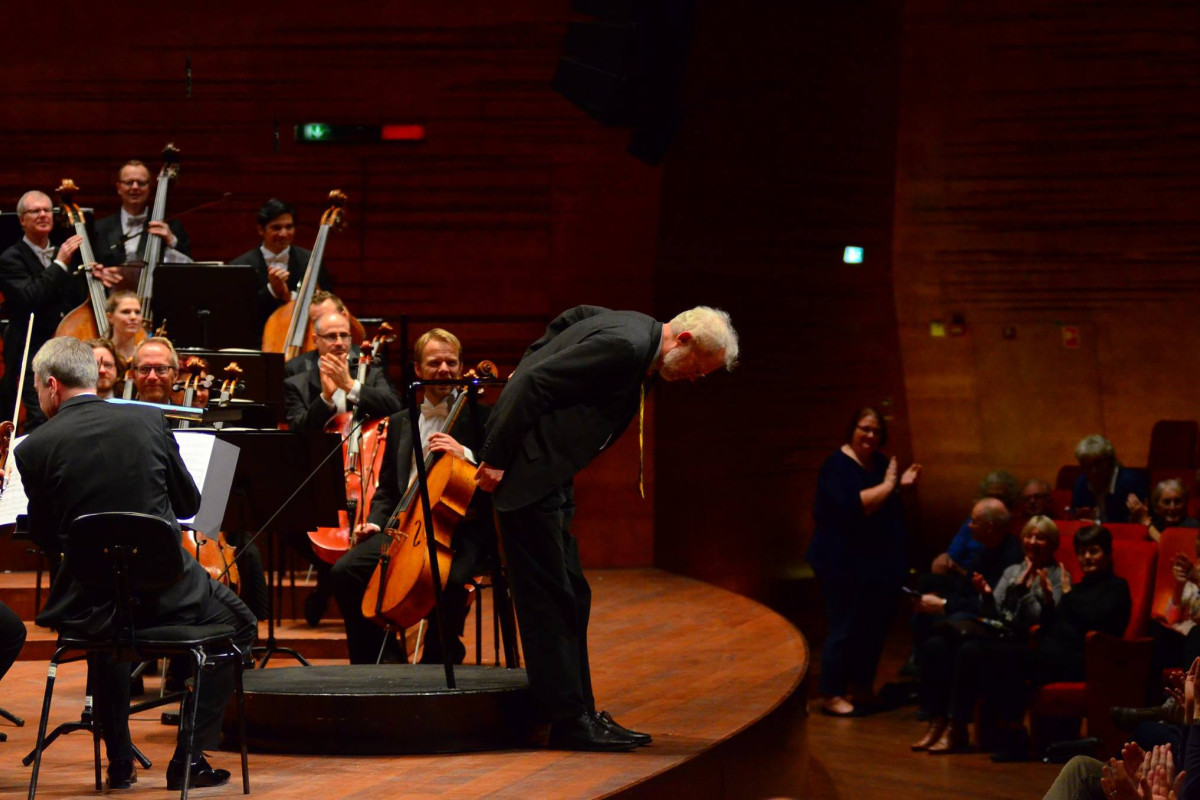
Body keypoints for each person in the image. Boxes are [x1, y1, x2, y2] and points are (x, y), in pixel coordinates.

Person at [474, 304, 738, 751]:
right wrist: (496, 456)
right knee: (550, 602)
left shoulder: (637, 332)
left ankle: (577, 710)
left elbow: (569, 318)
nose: (696, 379)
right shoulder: (626, 345)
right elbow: (533, 382)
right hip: (528, 478)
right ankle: (567, 720)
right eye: (699, 368)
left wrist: (535, 353)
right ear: (685, 341)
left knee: (573, 595)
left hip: (551, 477)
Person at [16, 336, 255, 790]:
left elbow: (47, 536)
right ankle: (189, 756)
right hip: (171, 594)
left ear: (51, 385)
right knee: (241, 623)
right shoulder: (149, 421)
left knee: (109, 639)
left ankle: (119, 764)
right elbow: (188, 503)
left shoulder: (33, 447)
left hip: (90, 603)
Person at [330, 328, 491, 664]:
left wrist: (465, 454)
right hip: (407, 528)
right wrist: (375, 524)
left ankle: (440, 656)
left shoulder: (481, 418)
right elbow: (388, 489)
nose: (444, 369)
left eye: (451, 362)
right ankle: (380, 662)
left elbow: (499, 473)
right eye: (435, 363)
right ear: (418, 370)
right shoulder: (402, 422)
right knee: (345, 571)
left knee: (449, 578)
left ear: (462, 367)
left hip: (459, 530)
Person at [913, 515, 1066, 755]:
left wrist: (1026, 590)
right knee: (936, 645)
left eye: (1041, 538)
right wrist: (985, 594)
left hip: (1024, 643)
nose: (1033, 542)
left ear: (1052, 544)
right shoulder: (1012, 570)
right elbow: (993, 612)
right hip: (996, 633)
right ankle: (937, 721)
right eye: (1029, 536)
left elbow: (1039, 619)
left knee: (969, 651)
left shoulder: (1057, 575)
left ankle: (957, 726)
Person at [807, 407, 920, 718]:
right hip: (839, 561)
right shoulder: (837, 466)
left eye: (876, 432)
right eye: (865, 429)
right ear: (852, 430)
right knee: (845, 625)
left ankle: (861, 687)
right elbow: (853, 508)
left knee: (872, 628)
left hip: (873, 563)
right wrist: (889, 487)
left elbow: (891, 511)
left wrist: (901, 489)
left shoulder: (882, 464)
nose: (870, 436)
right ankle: (831, 693)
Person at [988, 524, 1132, 760]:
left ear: (1107, 554)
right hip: (1056, 652)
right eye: (1082, 552)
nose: (1086, 557)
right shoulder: (1077, 588)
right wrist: (1047, 603)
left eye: (1093, 551)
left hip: (1088, 660)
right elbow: (1055, 625)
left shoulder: (1116, 588)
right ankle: (1014, 731)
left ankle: (1015, 736)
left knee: (1015, 661)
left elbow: (1097, 624)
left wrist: (1066, 595)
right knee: (1001, 655)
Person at [0, 191, 120, 430]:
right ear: (22, 219)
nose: (44, 214)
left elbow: (72, 299)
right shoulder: (9, 258)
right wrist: (59, 264)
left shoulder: (66, 255)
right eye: (36, 211)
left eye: (47, 210)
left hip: (63, 348)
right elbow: (28, 297)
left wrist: (90, 277)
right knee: (39, 416)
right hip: (29, 351)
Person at [282, 310, 401, 430]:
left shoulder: (371, 372)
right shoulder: (295, 384)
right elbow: (297, 432)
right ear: (315, 340)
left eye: (344, 336)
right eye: (331, 336)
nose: (339, 343)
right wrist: (325, 398)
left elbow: (394, 407)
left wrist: (350, 385)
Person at [229, 198, 329, 327]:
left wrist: (290, 296)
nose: (283, 234)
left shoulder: (311, 260)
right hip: (256, 341)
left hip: (303, 340)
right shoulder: (240, 266)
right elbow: (238, 313)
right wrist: (272, 290)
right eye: (276, 228)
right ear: (261, 230)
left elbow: (327, 304)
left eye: (289, 227)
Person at [93, 160, 190, 267]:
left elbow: (189, 268)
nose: (135, 187)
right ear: (119, 188)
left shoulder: (172, 226)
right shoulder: (99, 229)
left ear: (149, 188)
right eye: (129, 182)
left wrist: (172, 242)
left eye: (141, 183)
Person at [931, 471, 1020, 578]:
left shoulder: (1008, 527)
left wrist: (959, 571)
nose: (992, 500)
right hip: (959, 577)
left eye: (998, 497)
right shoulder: (972, 523)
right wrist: (944, 558)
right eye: (989, 496)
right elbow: (953, 554)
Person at [1070, 434, 1148, 523]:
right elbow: (1074, 517)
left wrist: (1096, 524)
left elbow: (1132, 523)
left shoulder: (1132, 483)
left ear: (1110, 462)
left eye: (1097, 464)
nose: (1093, 471)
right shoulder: (1081, 484)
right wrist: (1078, 518)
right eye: (1087, 466)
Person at [282, 291, 355, 378]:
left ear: (344, 316)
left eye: (328, 317)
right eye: (316, 321)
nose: (323, 324)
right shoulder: (294, 369)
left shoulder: (367, 363)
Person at [130, 337, 207, 409]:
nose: (152, 377)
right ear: (133, 375)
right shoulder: (120, 419)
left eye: (161, 369)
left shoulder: (189, 421)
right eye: (144, 369)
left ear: (175, 375)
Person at [1129, 478, 1200, 542]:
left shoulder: (1194, 527)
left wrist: (1146, 522)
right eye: (1167, 502)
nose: (1172, 507)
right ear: (1157, 506)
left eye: (1177, 502)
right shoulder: (1155, 525)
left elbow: (1170, 548)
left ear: (1185, 504)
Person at [104, 290, 144, 367]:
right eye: (126, 312)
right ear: (110, 317)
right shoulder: (99, 353)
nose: (133, 317)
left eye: (137, 312)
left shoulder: (145, 354)